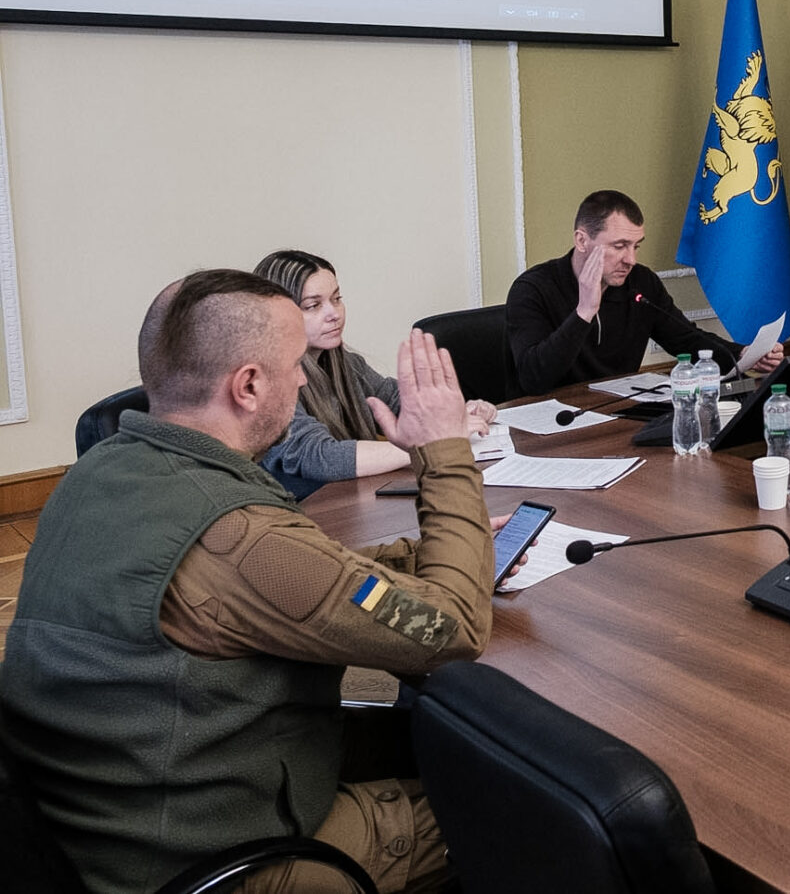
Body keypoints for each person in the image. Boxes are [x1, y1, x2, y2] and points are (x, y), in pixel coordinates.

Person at [0, 271, 494, 894]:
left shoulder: (99, 472)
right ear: (250, 385)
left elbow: (295, 575)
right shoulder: (240, 538)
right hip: (212, 864)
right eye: (296, 365)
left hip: (105, 821)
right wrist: (444, 452)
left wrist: (424, 555)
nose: (305, 380)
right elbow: (451, 629)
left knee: (425, 738)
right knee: (516, 804)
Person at [254, 249, 496, 499]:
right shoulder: (266, 384)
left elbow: (398, 401)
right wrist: (433, 444)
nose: (334, 314)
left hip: (352, 503)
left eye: (336, 299)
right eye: (313, 306)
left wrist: (457, 413)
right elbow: (321, 457)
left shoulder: (345, 363)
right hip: (303, 513)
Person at [507, 188, 783, 394]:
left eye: (636, 246)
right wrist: (584, 312)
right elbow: (533, 379)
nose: (630, 259)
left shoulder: (640, 282)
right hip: (551, 426)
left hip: (617, 414)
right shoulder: (532, 289)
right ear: (582, 241)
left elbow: (686, 339)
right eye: (619, 246)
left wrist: (742, 354)